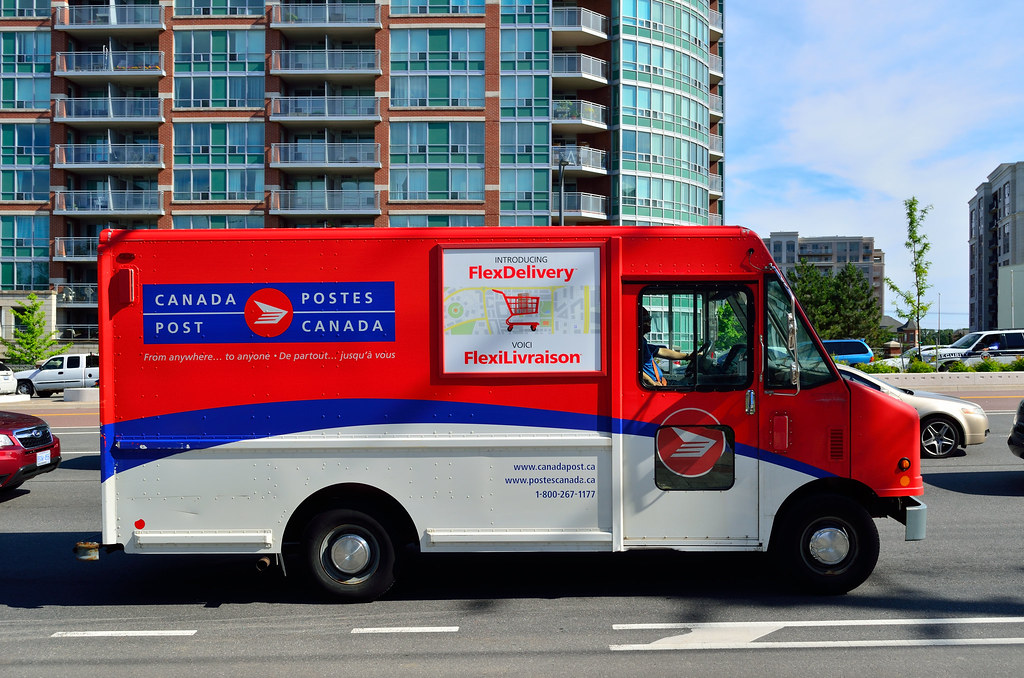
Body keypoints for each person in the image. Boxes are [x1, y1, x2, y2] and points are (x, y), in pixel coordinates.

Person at [640, 307, 693, 386]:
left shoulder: (642, 342)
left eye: (649, 319)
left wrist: (688, 356)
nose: (649, 322)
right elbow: (631, 369)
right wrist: (652, 383)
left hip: (661, 381)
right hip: (654, 386)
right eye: (646, 320)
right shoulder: (635, 344)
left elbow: (662, 351)